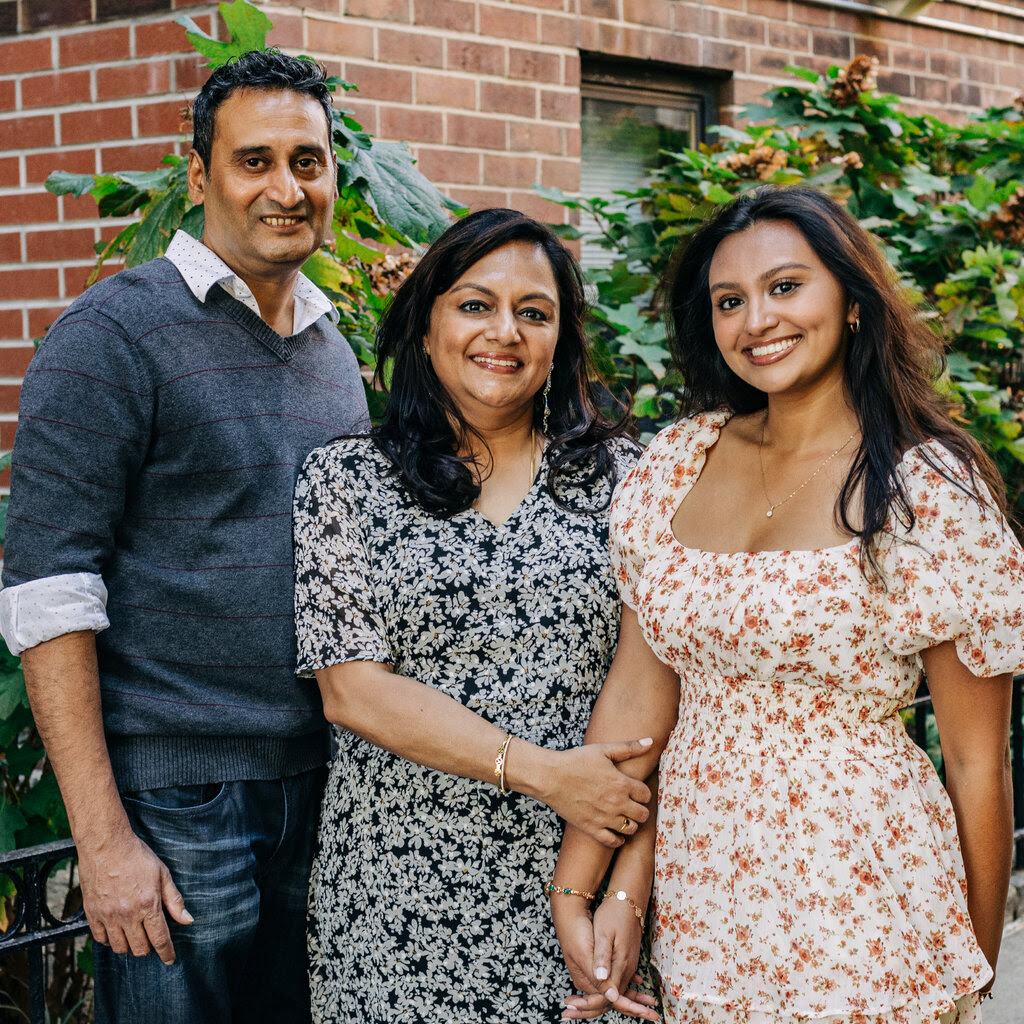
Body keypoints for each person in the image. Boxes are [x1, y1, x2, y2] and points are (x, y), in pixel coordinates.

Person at [552, 185, 1022, 1024]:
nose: (756, 320)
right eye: (729, 301)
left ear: (849, 299)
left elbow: (977, 763)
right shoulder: (676, 463)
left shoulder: (928, 491)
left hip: (866, 899)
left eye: (785, 286)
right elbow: (636, 698)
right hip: (706, 895)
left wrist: (973, 965)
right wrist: (582, 887)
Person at [0, 50, 369, 1023]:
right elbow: (48, 592)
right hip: (177, 802)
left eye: (308, 160)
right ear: (199, 175)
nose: (286, 188)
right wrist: (102, 836)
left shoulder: (335, 353)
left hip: (317, 781)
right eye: (254, 161)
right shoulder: (111, 336)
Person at [292, 207, 671, 1023]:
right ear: (425, 327)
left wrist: (626, 898)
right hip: (396, 898)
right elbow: (352, 691)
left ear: (561, 341)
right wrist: (548, 775)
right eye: (474, 304)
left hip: (586, 881)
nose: (504, 331)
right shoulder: (346, 481)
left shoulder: (631, 480)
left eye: (533, 312)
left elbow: (655, 708)